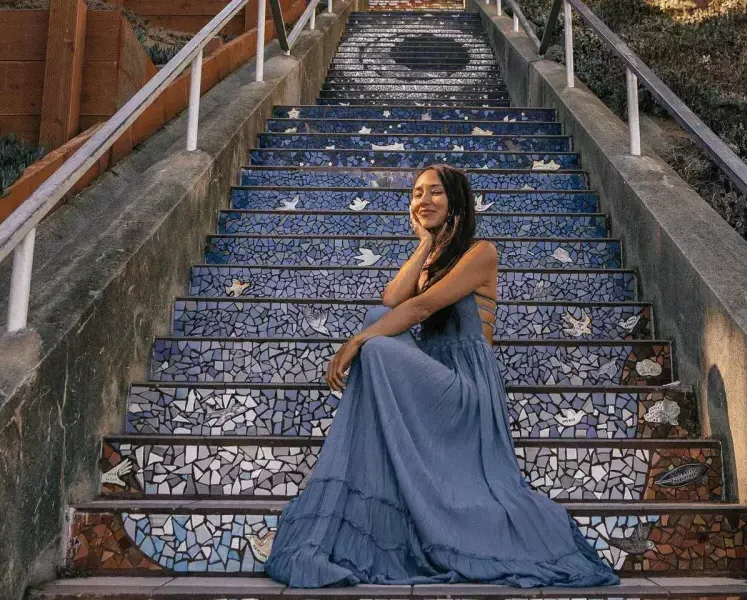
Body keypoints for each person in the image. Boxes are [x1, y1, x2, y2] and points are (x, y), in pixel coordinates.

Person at [263, 164, 620, 589]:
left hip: (466, 387)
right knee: (379, 318)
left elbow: (418, 309)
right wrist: (424, 245)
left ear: (456, 201)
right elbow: (393, 299)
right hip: (435, 373)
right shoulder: (433, 258)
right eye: (416, 193)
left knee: (375, 341)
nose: (423, 200)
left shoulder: (481, 252)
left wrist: (354, 341)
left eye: (435, 192)